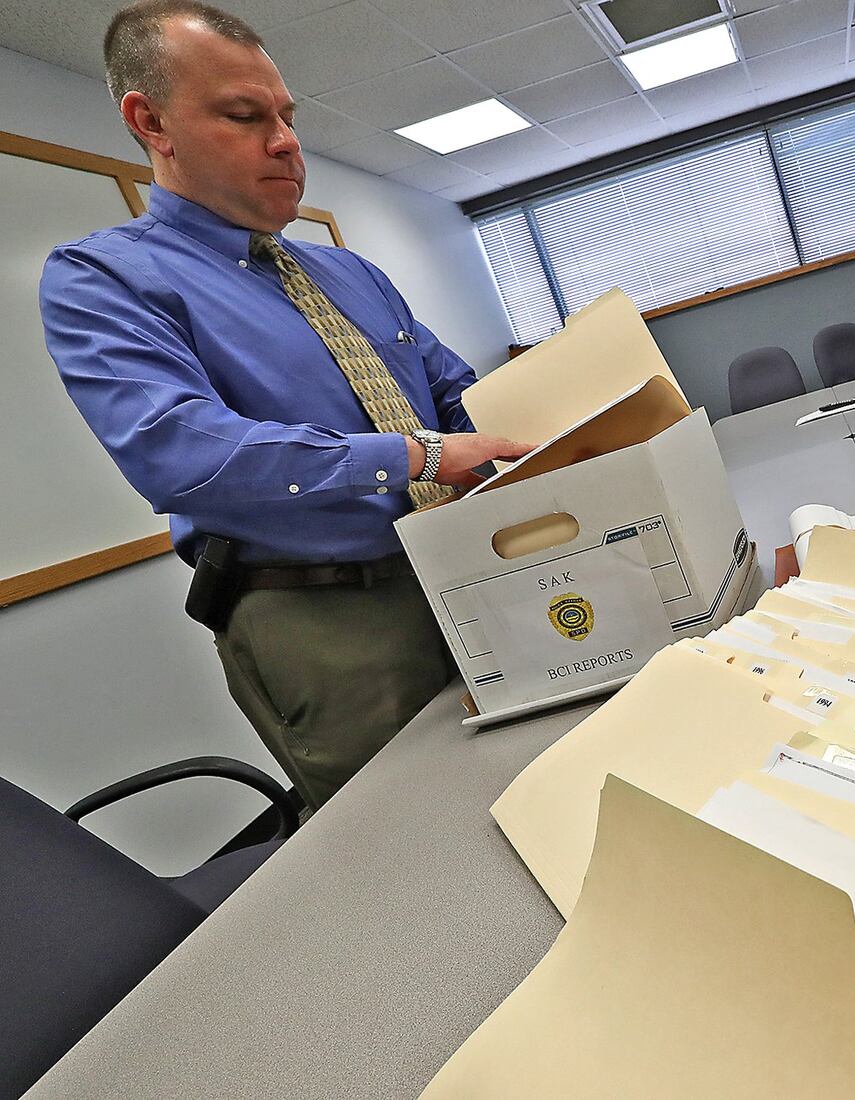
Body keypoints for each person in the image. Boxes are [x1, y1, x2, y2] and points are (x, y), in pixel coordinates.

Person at [39, 0, 533, 811]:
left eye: (285, 115)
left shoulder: (352, 275)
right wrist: (419, 456)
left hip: (462, 562)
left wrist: (566, 412)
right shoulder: (105, 279)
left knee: (543, 764)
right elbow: (183, 453)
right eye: (244, 115)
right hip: (327, 619)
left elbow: (455, 393)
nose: (286, 141)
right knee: (423, 834)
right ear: (151, 122)